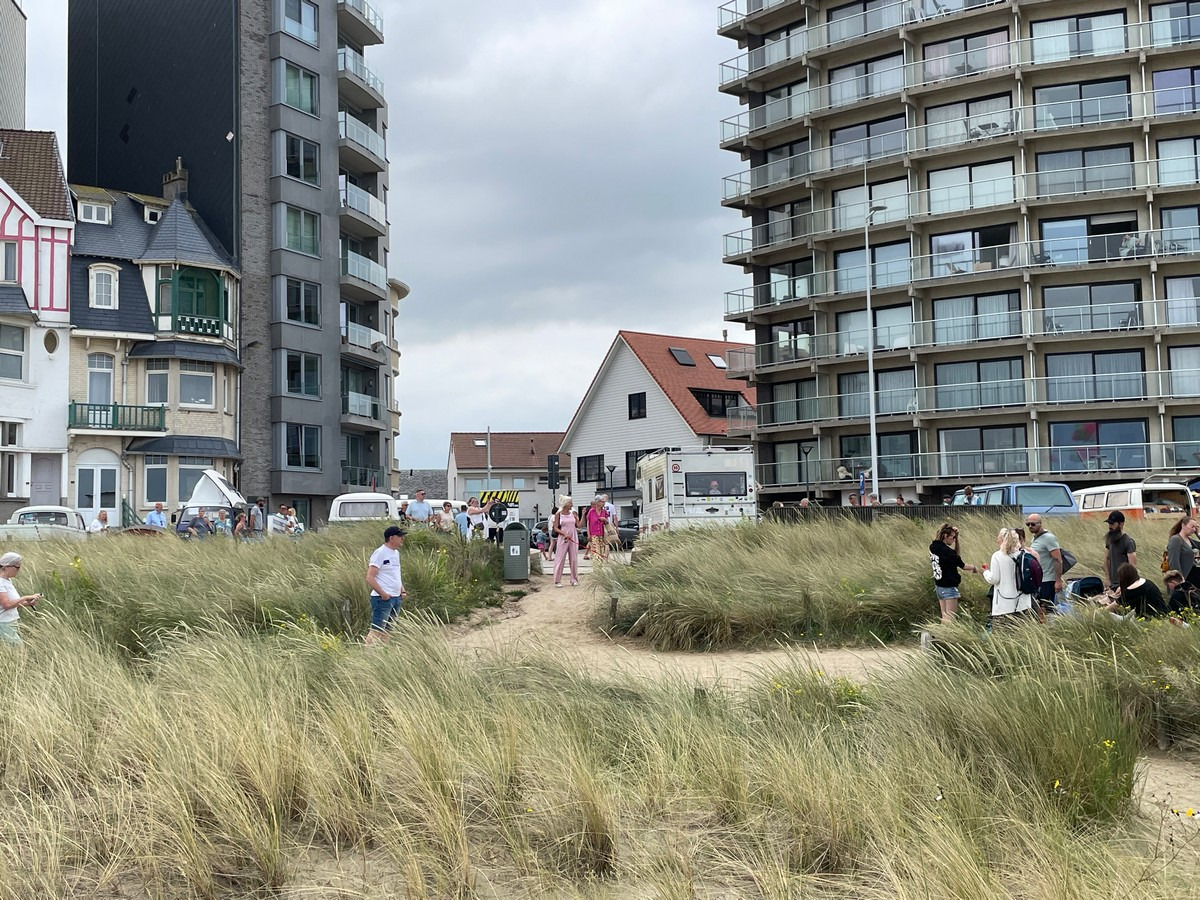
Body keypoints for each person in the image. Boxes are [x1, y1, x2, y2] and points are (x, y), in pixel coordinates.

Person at [981, 527, 1034, 624]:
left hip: (1003, 603)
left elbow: (994, 579)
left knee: (1002, 630)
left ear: (1003, 540)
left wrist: (985, 572)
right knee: (1021, 630)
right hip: (1023, 602)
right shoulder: (1025, 554)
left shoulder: (997, 556)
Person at [929, 523, 979, 623]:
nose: (953, 540)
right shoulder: (947, 552)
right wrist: (974, 567)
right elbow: (962, 565)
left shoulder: (933, 547)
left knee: (944, 617)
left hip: (939, 586)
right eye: (952, 537)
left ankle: (941, 632)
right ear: (945, 536)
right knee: (950, 619)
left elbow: (955, 556)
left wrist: (956, 538)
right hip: (949, 587)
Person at [365, 525, 406, 645]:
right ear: (391, 538)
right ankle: (367, 652)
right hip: (383, 598)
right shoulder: (380, 553)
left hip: (396, 597)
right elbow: (370, 577)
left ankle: (384, 651)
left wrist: (402, 590)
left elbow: (395, 574)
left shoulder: (396, 553)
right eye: (400, 536)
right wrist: (383, 594)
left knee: (388, 630)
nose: (402, 539)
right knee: (377, 629)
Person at [1025, 513, 1064, 619]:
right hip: (1039, 579)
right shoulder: (1036, 538)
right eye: (1028, 524)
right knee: (1040, 608)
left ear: (1040, 523)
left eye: (1033, 524)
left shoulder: (1048, 538)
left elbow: (1057, 559)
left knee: (1048, 608)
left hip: (1048, 580)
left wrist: (1058, 581)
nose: (1030, 526)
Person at [0, 552, 40, 646]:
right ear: (6, 566)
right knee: (19, 649)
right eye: (17, 567)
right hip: (4, 623)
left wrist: (27, 603)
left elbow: (12, 605)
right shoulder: (0, 583)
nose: (19, 570)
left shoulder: (8, 581)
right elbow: (6, 604)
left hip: (10, 622)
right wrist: (25, 597)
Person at [1099, 563, 1167, 618]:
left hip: (1151, 617)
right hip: (1164, 613)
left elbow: (1114, 606)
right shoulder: (1147, 582)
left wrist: (1100, 611)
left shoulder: (1132, 590)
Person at [1103, 510, 1137, 591]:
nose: (1110, 526)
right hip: (1112, 584)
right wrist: (1108, 578)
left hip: (1124, 585)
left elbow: (1133, 567)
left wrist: (1126, 585)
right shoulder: (1110, 540)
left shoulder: (1128, 542)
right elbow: (1106, 559)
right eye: (1109, 524)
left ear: (1121, 524)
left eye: (1112, 524)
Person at [552, 495, 580, 587]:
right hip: (563, 537)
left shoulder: (573, 513)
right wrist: (564, 533)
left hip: (573, 536)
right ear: (566, 504)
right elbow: (555, 527)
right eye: (570, 503)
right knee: (560, 558)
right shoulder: (558, 514)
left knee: (574, 558)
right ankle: (557, 580)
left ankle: (574, 579)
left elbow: (578, 525)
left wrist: (579, 517)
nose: (572, 504)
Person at [1166, 516, 1200, 588]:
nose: (1194, 529)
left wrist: (1198, 534)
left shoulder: (1191, 541)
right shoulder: (1176, 539)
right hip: (1186, 577)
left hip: (1196, 577)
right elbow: (1173, 561)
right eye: (1192, 527)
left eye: (1196, 527)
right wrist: (1180, 579)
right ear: (1183, 525)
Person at [585, 496, 609, 562]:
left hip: (602, 534)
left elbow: (607, 523)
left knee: (601, 552)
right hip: (593, 534)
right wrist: (588, 534)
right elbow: (588, 523)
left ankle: (600, 566)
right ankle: (597, 565)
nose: (603, 503)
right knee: (595, 552)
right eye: (602, 502)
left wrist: (605, 520)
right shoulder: (591, 511)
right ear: (597, 502)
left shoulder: (604, 511)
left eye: (604, 502)